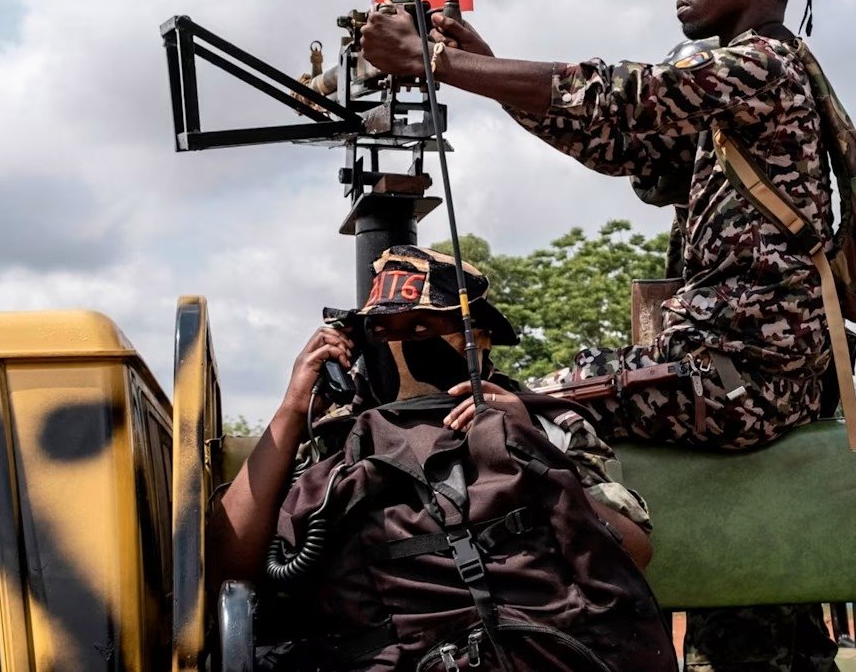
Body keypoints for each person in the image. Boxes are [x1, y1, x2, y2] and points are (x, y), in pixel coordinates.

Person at [360, 0, 849, 671]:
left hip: (740, 378)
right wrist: (485, 65)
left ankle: (589, 619)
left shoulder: (759, 65)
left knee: (516, 410)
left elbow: (620, 93)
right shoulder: (741, 91)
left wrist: (436, 64)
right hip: (744, 369)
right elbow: (615, 138)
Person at [210, 244, 654, 589]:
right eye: (382, 331)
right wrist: (293, 408)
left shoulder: (546, 424)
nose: (398, 347)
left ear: (476, 339)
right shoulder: (335, 437)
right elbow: (230, 568)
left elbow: (634, 554)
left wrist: (527, 447)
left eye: (422, 328)